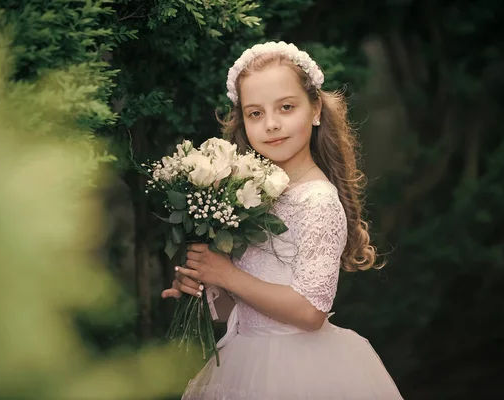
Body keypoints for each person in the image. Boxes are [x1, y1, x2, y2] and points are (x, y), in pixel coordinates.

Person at [161, 41, 404, 399]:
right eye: (255, 113)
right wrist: (207, 284)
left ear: (316, 109)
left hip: (300, 370)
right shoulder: (253, 196)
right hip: (244, 362)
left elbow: (309, 312)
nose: (271, 124)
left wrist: (228, 274)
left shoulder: (318, 200)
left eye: (286, 107)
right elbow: (243, 308)